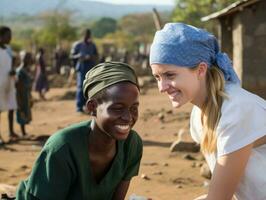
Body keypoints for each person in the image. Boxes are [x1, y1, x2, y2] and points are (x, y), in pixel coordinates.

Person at [149, 23, 266, 200]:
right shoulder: (199, 115)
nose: (161, 87)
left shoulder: (237, 110)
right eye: (157, 77)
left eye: (170, 75)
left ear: (201, 69)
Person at [16, 61, 143, 200]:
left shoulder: (131, 144)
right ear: (92, 107)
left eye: (134, 108)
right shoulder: (63, 148)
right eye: (118, 108)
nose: (128, 117)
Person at [70, 29, 99, 113]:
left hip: (91, 68)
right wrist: (79, 56)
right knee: (80, 87)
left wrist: (91, 57)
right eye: (85, 35)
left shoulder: (92, 45)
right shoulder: (77, 45)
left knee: (90, 87)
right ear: (82, 35)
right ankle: (79, 108)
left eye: (88, 35)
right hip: (81, 68)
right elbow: (72, 56)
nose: (87, 37)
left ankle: (88, 107)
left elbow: (96, 55)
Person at [0, 26, 18, 144]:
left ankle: (11, 132)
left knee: (11, 107)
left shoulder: (8, 49)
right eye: (8, 35)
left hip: (9, 83)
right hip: (0, 84)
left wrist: (13, 70)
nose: (10, 38)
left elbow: (11, 63)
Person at [16, 51, 33, 136]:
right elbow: (18, 86)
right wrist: (19, 98)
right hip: (21, 95)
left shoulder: (26, 70)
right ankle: (23, 132)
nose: (29, 60)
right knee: (21, 111)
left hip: (26, 94)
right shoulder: (20, 71)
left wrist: (30, 95)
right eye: (27, 58)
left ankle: (24, 132)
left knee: (25, 112)